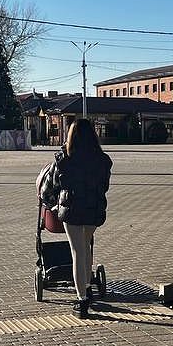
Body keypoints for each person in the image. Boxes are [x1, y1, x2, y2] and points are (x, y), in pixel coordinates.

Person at [39, 118, 112, 319]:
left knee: (77, 251)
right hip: (94, 209)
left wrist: (53, 204)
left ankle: (82, 299)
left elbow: (48, 189)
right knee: (86, 247)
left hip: (71, 209)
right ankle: (87, 286)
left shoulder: (64, 159)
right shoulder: (103, 160)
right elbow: (104, 186)